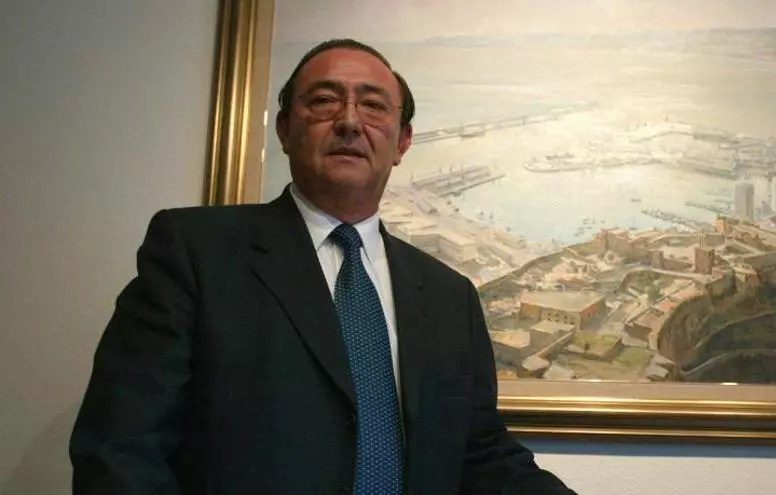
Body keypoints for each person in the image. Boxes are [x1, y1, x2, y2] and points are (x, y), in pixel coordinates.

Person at [70, 38, 575, 494]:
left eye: (373, 106)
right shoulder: (196, 252)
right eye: (324, 100)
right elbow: (121, 448)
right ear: (285, 129)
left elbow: (479, 453)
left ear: (402, 142)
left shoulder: (450, 296)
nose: (350, 121)